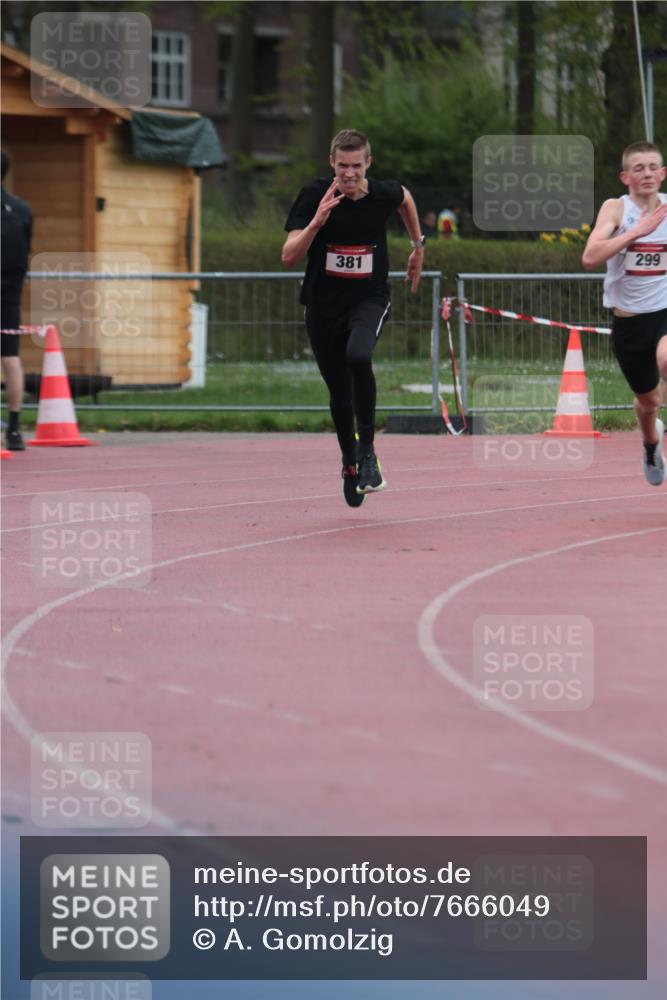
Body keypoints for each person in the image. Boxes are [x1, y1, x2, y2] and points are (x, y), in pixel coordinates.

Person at [281, 129, 424, 506]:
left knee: (359, 355)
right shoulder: (314, 196)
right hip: (323, 307)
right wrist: (316, 222)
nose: (349, 174)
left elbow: (405, 198)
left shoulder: (381, 194)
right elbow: (288, 256)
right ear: (332, 164)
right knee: (339, 390)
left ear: (368, 164)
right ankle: (349, 462)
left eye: (356, 166)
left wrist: (417, 247)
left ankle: (368, 455)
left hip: (370, 299)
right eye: (342, 166)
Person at [582, 141, 667, 487]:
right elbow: (590, 256)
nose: (646, 173)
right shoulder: (616, 210)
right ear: (625, 177)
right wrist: (634, 233)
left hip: (664, 311)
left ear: (662, 174)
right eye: (638, 168)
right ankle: (650, 444)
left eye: (652, 167)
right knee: (648, 403)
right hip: (630, 324)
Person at [1, 149, 32, 451]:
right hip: (10, 291)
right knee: (10, 358)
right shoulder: (21, 208)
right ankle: (14, 430)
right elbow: (27, 248)